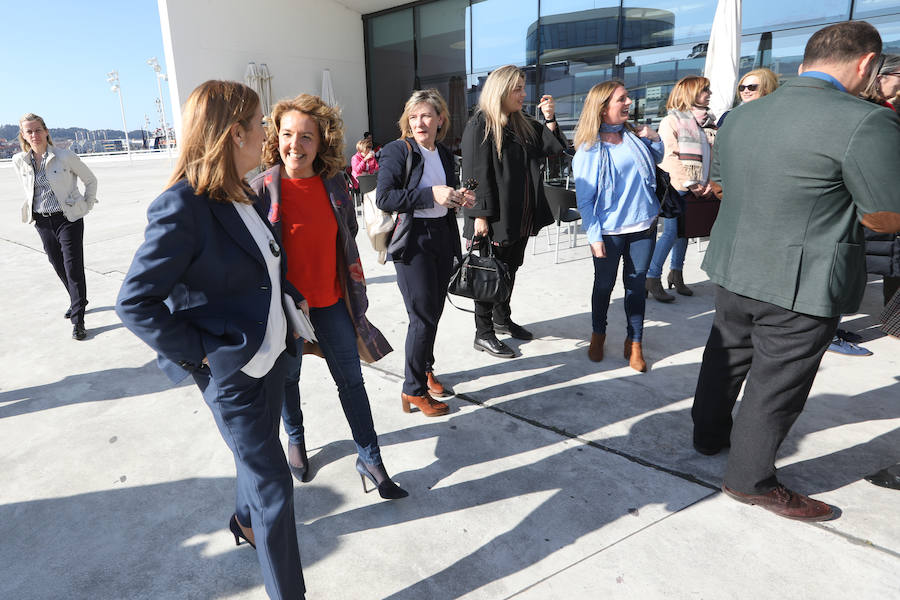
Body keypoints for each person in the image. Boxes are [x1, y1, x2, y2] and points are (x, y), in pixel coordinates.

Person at [690, 21, 900, 521]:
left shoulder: (743, 115)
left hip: (735, 263)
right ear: (867, 62)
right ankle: (749, 480)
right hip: (801, 278)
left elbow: (719, 187)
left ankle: (708, 435)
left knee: (727, 356)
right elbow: (886, 216)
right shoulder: (864, 120)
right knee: (777, 383)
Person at [116, 81, 306, 599]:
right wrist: (201, 353)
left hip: (269, 360)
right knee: (275, 487)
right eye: (261, 124)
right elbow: (134, 303)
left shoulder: (245, 191)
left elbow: (262, 266)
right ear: (232, 133)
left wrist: (288, 298)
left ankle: (244, 522)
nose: (267, 133)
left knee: (256, 466)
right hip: (233, 374)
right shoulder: (183, 206)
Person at [250, 94, 406, 500]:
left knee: (351, 382)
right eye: (287, 135)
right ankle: (296, 438)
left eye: (306, 137)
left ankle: (370, 458)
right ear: (276, 137)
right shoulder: (261, 189)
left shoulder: (336, 184)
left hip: (332, 302)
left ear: (322, 143)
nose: (295, 145)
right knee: (288, 378)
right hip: (285, 311)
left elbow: (347, 237)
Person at [375, 89, 475, 416]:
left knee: (433, 312)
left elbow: (444, 196)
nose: (420, 122)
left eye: (427, 115)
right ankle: (412, 390)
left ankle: (424, 369)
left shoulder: (444, 153)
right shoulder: (397, 150)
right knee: (421, 318)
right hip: (412, 240)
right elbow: (385, 198)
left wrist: (458, 198)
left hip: (441, 237)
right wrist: (431, 193)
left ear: (440, 119)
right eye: (414, 116)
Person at [461, 65, 566, 358]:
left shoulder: (520, 122)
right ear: (502, 90)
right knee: (489, 274)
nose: (523, 94)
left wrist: (550, 119)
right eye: (517, 88)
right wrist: (479, 215)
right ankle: (483, 333)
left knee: (510, 270)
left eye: (523, 87)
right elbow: (474, 173)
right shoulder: (481, 124)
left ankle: (501, 318)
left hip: (520, 214)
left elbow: (553, 148)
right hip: (494, 217)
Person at [573, 81, 664, 372]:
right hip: (609, 232)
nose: (628, 103)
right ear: (602, 109)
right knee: (604, 286)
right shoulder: (588, 149)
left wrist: (655, 139)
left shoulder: (635, 137)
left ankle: (634, 342)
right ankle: (598, 335)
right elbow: (585, 201)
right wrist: (594, 235)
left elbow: (657, 159)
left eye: (627, 98)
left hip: (643, 225)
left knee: (636, 287)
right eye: (621, 100)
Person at [13, 113, 98, 340]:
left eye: (38, 130)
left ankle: (78, 319)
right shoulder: (19, 160)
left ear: (46, 131)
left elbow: (90, 180)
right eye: (29, 131)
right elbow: (28, 189)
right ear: (23, 135)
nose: (34, 135)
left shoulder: (64, 156)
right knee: (57, 263)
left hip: (68, 218)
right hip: (42, 220)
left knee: (73, 267)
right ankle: (77, 299)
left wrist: (86, 205)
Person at [646, 76, 717, 302]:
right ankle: (651, 276)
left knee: (685, 234)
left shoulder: (708, 123)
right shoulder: (672, 120)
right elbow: (669, 157)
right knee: (670, 233)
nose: (709, 93)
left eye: (708, 89)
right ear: (690, 93)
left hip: (701, 187)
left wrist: (708, 182)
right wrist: (692, 183)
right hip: (677, 187)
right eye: (704, 90)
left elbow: (713, 157)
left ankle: (676, 273)